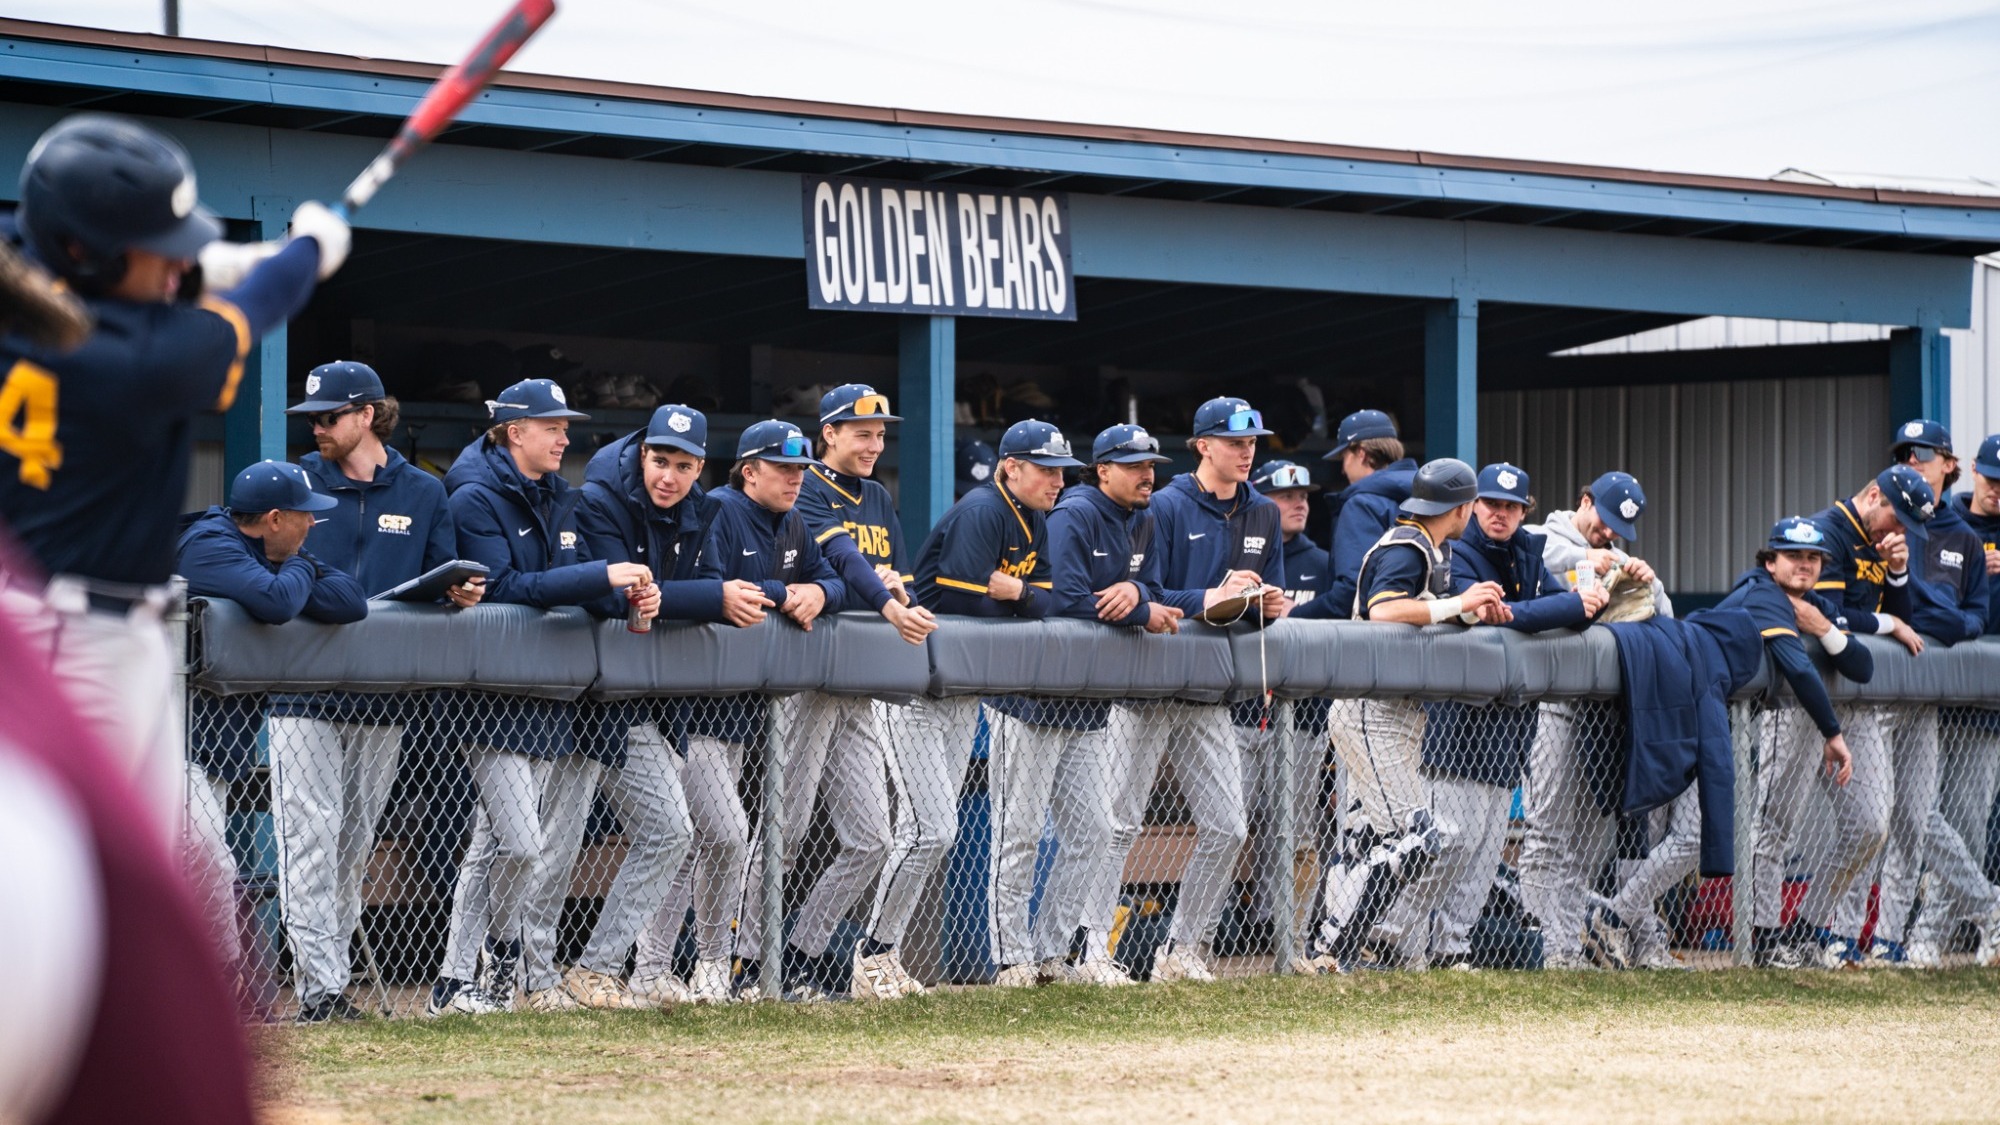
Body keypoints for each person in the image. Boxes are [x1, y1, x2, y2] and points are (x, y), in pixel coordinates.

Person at [0, 113, 348, 845]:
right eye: (154, 251)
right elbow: (262, 301)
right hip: (73, 640)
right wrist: (311, 247)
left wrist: (200, 265)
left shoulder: (30, 285)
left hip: (72, 623)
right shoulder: (136, 360)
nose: (171, 266)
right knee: (81, 870)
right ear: (83, 252)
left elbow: (97, 282)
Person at [428, 378, 659, 1017]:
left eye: (565, 425)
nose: (565, 436)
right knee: (518, 843)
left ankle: (475, 979)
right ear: (513, 431)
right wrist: (595, 577)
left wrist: (627, 596)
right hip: (489, 690)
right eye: (551, 425)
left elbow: (576, 575)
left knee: (497, 842)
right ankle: (477, 971)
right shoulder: (473, 493)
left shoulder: (559, 494)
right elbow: (503, 586)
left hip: (545, 690)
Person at [259, 361, 479, 1021]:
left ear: (367, 414)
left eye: (330, 415)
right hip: (301, 687)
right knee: (307, 835)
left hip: (381, 694)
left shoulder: (423, 491)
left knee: (352, 840)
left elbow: (445, 577)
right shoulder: (295, 483)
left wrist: (458, 591)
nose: (319, 427)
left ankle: (331, 980)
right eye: (314, 419)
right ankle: (321, 986)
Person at [737, 385, 936, 1001]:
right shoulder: (811, 486)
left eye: (880, 434)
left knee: (871, 839)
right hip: (806, 678)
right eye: (861, 432)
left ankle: (800, 954)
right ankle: (741, 962)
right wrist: (877, 596)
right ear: (830, 433)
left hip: (859, 684)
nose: (875, 443)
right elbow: (844, 564)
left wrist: (889, 593)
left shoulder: (877, 495)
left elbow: (894, 575)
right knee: (785, 827)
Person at [851, 420, 1055, 999]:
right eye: (1046, 468)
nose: (1058, 480)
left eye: (1062, 470)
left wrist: (1018, 596)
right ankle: (873, 954)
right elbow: (966, 605)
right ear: (1011, 468)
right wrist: (1019, 604)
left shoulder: (1032, 518)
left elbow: (1049, 597)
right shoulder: (983, 510)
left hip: (963, 692)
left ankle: (880, 955)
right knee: (929, 829)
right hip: (914, 684)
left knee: (933, 831)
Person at [1371, 463, 1604, 970]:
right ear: (1473, 506)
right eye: (1491, 504)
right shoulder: (1457, 549)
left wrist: (1571, 605)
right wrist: (1566, 605)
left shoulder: (1524, 549)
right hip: (1456, 718)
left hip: (1509, 718)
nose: (1500, 514)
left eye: (1511, 506)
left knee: (1484, 850)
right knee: (1451, 840)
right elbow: (1505, 617)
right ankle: (1394, 941)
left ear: (1525, 511)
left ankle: (1451, 949)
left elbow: (1547, 607)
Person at [1297, 458, 1513, 973]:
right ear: (1459, 508)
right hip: (1371, 709)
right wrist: (1457, 602)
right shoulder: (1405, 545)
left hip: (1392, 712)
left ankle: (1323, 947)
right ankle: (1335, 945)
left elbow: (1424, 608)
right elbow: (1385, 610)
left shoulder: (1432, 547)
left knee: (1363, 838)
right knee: (1419, 838)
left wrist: (1467, 610)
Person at [565, 404, 745, 1009]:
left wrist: (684, 596)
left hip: (645, 702)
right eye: (659, 460)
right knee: (534, 845)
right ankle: (506, 974)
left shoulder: (706, 509)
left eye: (684, 465)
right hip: (574, 696)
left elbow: (710, 590)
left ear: (701, 467)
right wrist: (697, 596)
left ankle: (593, 970)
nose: (669, 476)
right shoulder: (598, 499)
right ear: (642, 453)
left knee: (671, 831)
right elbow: (618, 598)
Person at [176, 461, 368, 1013]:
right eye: (306, 517)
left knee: (208, 867)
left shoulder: (272, 552)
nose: (313, 526)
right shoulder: (208, 545)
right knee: (210, 866)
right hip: (160, 735)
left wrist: (293, 567)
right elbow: (279, 604)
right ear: (276, 518)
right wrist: (297, 573)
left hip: (212, 744)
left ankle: (211, 998)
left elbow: (350, 600)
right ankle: (213, 995)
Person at [1653, 517, 1867, 969]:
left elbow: (1862, 666)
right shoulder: (1765, 594)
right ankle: (1755, 941)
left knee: (1688, 836)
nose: (1805, 565)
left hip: (1708, 715)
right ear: (1770, 562)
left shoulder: (1807, 601)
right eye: (1793, 556)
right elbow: (1799, 668)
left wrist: (1824, 627)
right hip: (1680, 712)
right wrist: (1834, 733)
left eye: (1813, 557)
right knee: (1677, 834)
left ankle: (1626, 920)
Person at [1122, 397, 1286, 982]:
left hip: (1211, 690)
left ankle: (1182, 949)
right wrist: (1214, 596)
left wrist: (1266, 603)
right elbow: (1146, 592)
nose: (1246, 452)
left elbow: (1270, 599)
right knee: (1118, 823)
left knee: (1228, 825)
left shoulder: (1262, 511)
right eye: (1234, 442)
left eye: (1251, 442)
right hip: (1150, 680)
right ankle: (1089, 949)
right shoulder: (1163, 504)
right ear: (1203, 446)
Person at [686, 420, 848, 1002]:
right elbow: (716, 587)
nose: (794, 479)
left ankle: (721, 969)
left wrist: (820, 593)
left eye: (801, 470)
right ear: (749, 470)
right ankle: (668, 968)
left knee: (724, 839)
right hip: (698, 698)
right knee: (706, 840)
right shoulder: (720, 508)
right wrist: (787, 594)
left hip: (750, 705)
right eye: (782, 469)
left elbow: (831, 579)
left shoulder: (794, 521)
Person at [1035, 422, 1181, 986]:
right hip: (1045, 693)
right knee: (1025, 835)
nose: (1148, 475)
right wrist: (1141, 609)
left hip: (1102, 695)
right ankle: (1021, 961)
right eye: (1134, 466)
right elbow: (1066, 599)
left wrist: (1139, 594)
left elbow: (1157, 589)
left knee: (1098, 829)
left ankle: (1062, 954)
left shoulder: (1144, 518)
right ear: (1102, 471)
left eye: (1151, 466)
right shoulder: (1074, 513)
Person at [1839, 422, 1984, 967]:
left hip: (1925, 695)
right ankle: (1846, 933)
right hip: (1874, 693)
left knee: (1912, 822)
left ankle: (1891, 939)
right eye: (1904, 453)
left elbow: (1971, 620)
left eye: (1924, 454)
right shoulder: (1879, 523)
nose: (1914, 460)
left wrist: (1928, 606)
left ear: (1949, 463)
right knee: (1870, 820)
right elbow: (1895, 608)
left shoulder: (1961, 536)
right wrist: (1927, 609)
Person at [1516, 470, 1672, 969]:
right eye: (1603, 522)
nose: (1608, 535)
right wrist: (1587, 557)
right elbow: (1536, 551)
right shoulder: (1543, 535)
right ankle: (1539, 943)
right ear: (1584, 502)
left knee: (1583, 840)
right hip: (1548, 704)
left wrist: (1648, 580)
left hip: (1597, 713)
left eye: (1616, 531)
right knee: (1546, 829)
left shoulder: (1618, 556)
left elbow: (1663, 615)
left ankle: (1566, 946)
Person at [1792, 464, 1931, 968]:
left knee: (1872, 824)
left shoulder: (1881, 543)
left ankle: (1807, 927)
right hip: (1806, 698)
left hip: (1859, 701)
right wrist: (1885, 621)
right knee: (1776, 822)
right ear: (1873, 495)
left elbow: (1904, 623)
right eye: (1896, 518)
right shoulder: (1825, 531)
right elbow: (1824, 616)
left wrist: (1897, 574)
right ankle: (1763, 943)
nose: (1898, 532)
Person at [1908, 432, 2000, 967]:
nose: (1996, 489)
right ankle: (1935, 931)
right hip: (1939, 688)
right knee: (1928, 813)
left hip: (1987, 698)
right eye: (1990, 477)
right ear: (1972, 471)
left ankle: (1934, 933)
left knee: (1963, 817)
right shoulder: (1946, 522)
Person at [1236, 459, 1334, 947]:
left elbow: (1341, 612)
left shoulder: (1322, 563)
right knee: (1237, 820)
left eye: (1304, 496)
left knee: (1294, 829)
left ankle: (1290, 936)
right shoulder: (1243, 552)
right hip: (1243, 709)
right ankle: (1228, 928)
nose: (1299, 504)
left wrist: (1304, 613)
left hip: (1304, 717)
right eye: (1286, 496)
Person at [1319, 409, 1418, 619]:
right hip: (1426, 631)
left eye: (1345, 457)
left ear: (1361, 453)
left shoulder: (1361, 504)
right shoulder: (1428, 496)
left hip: (1371, 640)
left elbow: (1351, 592)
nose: (1343, 470)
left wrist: (1296, 614)